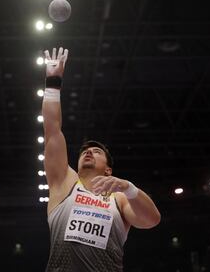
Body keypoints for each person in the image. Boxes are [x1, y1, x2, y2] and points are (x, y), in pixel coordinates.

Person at [42, 47, 161, 272]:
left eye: (96, 152)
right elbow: (52, 130)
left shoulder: (119, 197)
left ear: (108, 170)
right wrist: (53, 82)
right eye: (84, 151)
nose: (88, 152)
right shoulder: (64, 184)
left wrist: (130, 188)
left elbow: (151, 220)